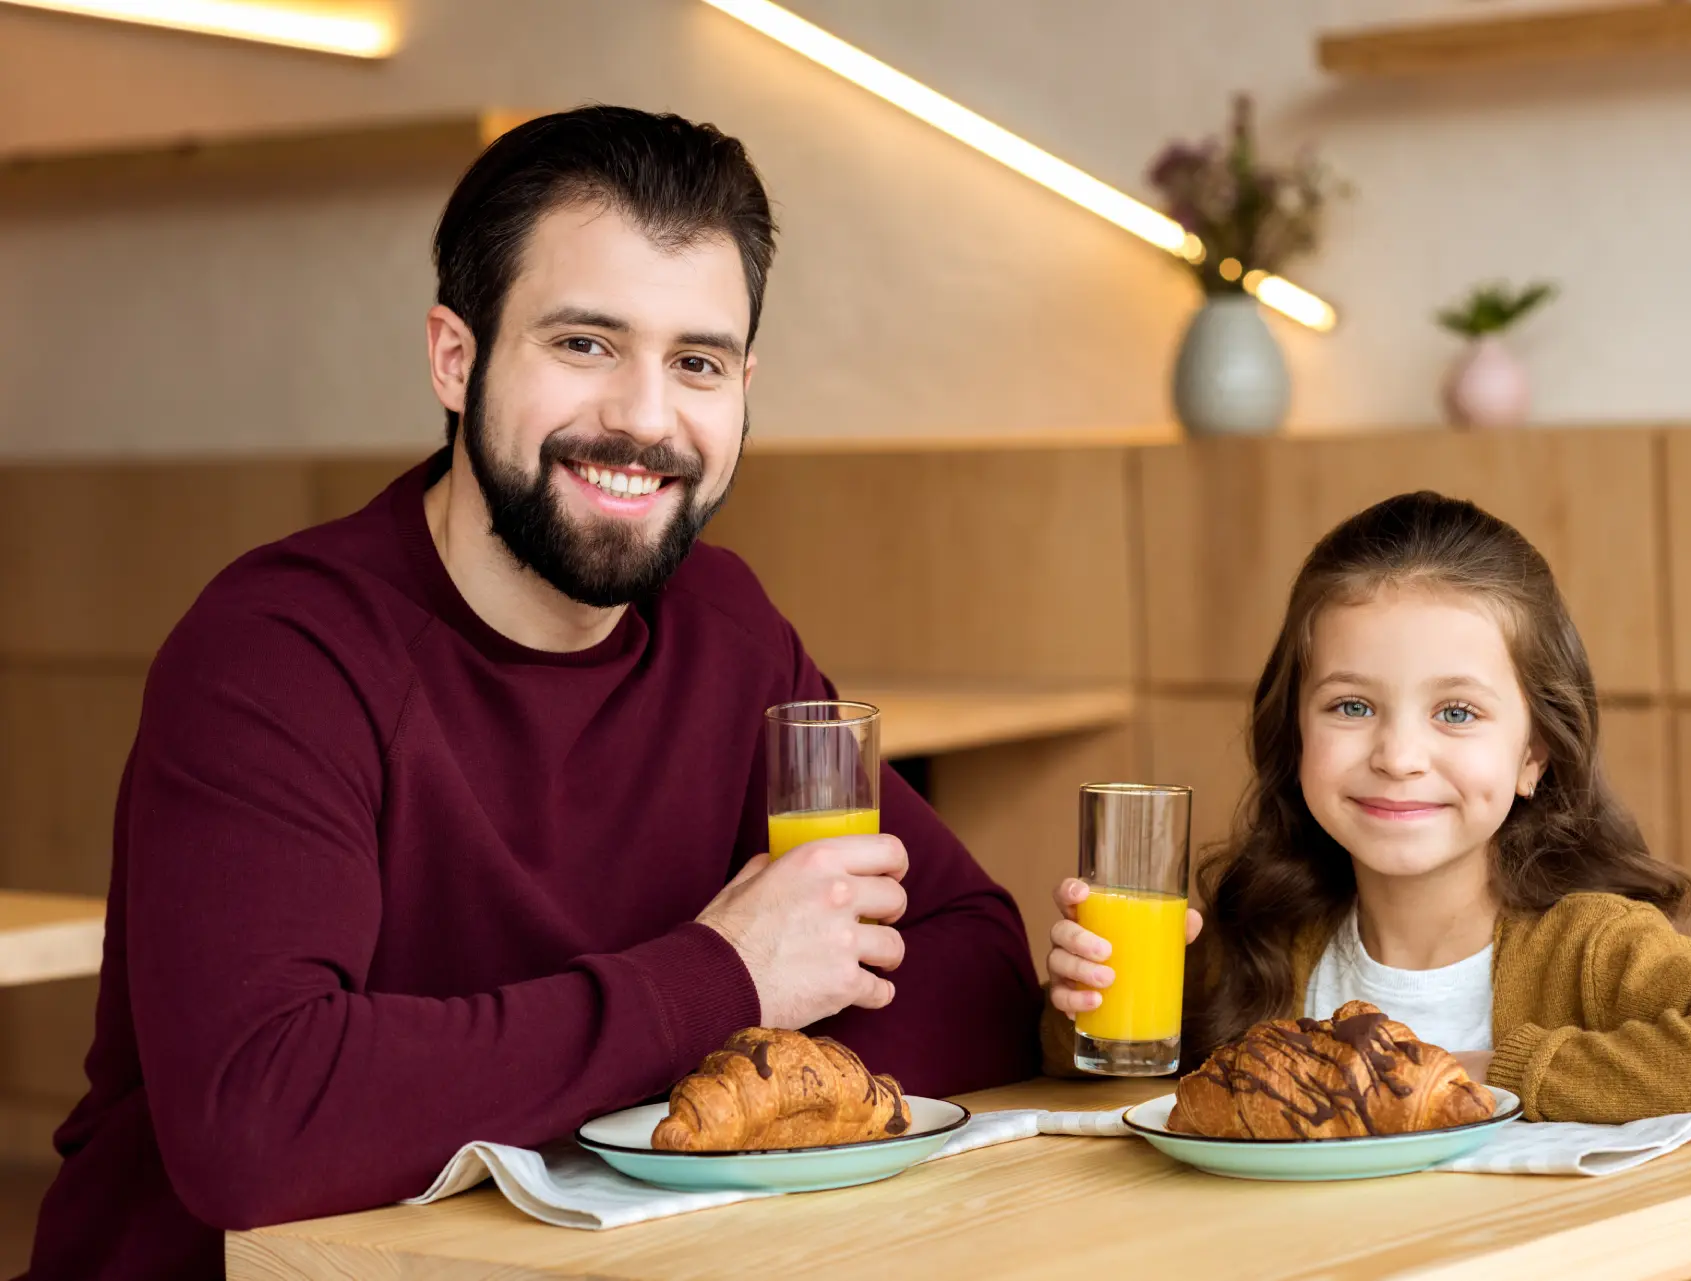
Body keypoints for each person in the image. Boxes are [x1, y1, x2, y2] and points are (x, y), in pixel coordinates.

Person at [26, 106, 1040, 1280]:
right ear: (456, 359)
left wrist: (638, 1064)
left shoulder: (727, 628)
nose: (646, 420)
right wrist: (721, 981)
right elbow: (261, 1122)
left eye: (697, 364)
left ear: (746, 387)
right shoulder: (277, 652)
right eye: (585, 345)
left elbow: (975, 971)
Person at [1044, 490, 1691, 1143]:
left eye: (1457, 712)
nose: (1398, 753)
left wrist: (1480, 1071)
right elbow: (1094, 1073)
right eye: (1352, 705)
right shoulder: (1258, 942)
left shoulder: (1590, 946)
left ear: (1535, 752)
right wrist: (1083, 1004)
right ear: (1293, 732)